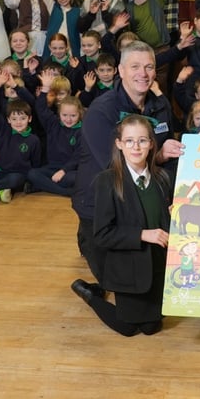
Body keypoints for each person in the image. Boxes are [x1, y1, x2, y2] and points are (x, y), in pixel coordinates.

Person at [70, 41, 183, 299]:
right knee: (117, 285)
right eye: (135, 67)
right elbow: (115, 167)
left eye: (149, 67)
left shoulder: (160, 104)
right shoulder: (101, 111)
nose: (142, 74)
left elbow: (168, 148)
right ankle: (88, 240)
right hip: (102, 201)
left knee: (154, 279)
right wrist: (160, 156)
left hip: (145, 195)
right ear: (120, 70)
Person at [71, 114, 172, 336]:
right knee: (127, 328)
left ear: (151, 144)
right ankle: (90, 295)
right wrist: (142, 234)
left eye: (143, 140)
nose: (136, 147)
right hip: (128, 269)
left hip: (157, 267)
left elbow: (166, 221)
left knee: (150, 327)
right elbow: (103, 235)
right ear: (119, 144)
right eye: (129, 141)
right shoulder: (107, 181)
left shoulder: (163, 178)